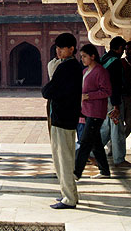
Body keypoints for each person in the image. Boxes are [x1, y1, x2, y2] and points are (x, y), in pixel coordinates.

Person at [41, 32, 83, 209]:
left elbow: (47, 91)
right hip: (66, 116)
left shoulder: (67, 67)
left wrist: (49, 87)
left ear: (71, 49)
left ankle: (69, 198)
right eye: (57, 48)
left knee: (64, 159)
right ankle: (69, 194)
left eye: (61, 48)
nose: (58, 51)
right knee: (63, 157)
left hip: (63, 117)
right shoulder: (70, 66)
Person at [74, 44, 112, 180]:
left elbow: (107, 91)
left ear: (92, 56)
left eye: (84, 56)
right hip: (87, 111)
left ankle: (76, 172)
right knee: (96, 143)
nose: (82, 59)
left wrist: (88, 96)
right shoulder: (85, 71)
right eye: (81, 56)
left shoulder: (100, 71)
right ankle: (105, 171)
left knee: (84, 143)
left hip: (96, 112)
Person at [100, 36, 131, 168]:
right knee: (117, 128)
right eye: (123, 48)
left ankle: (88, 151)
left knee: (106, 128)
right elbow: (114, 85)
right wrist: (116, 105)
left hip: (104, 99)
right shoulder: (115, 62)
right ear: (120, 48)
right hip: (113, 100)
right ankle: (119, 159)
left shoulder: (104, 59)